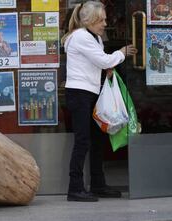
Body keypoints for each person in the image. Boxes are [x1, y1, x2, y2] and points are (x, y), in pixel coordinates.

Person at [61, 1, 137, 202]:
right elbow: (104, 60)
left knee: (96, 139)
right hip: (80, 94)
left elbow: (99, 61)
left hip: (90, 92)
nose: (105, 23)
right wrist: (121, 52)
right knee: (83, 140)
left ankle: (97, 184)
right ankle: (74, 188)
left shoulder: (93, 37)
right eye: (101, 19)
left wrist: (108, 64)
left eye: (105, 19)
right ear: (89, 20)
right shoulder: (81, 37)